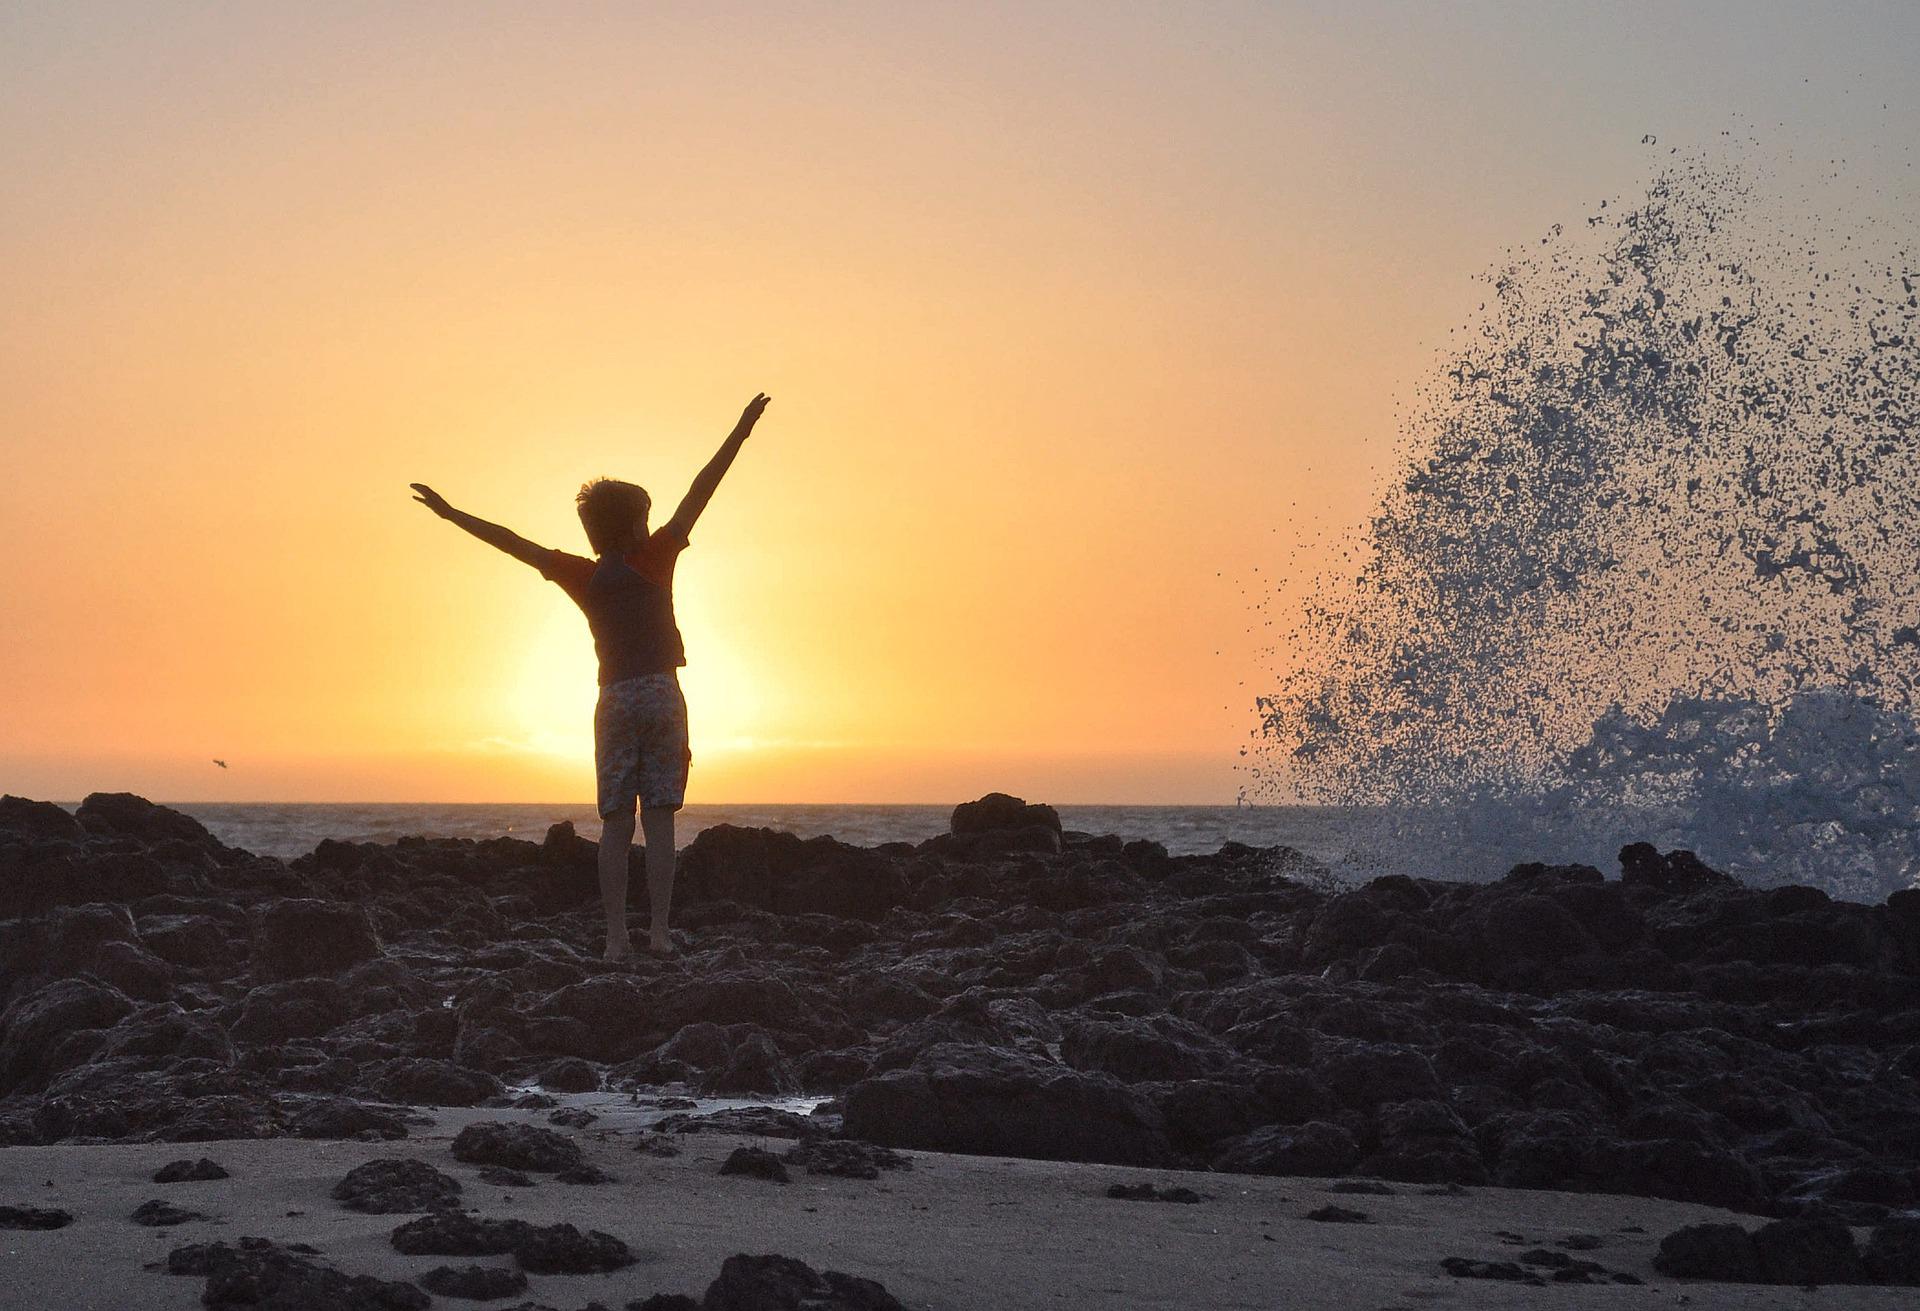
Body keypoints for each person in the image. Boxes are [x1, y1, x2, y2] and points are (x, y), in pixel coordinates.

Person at [410, 392, 772, 961]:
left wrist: (453, 514)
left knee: (613, 824)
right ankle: (657, 932)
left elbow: (512, 541)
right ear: (636, 525)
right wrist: (742, 428)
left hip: (614, 700)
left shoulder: (580, 574)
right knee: (659, 821)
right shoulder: (656, 557)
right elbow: (703, 488)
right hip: (661, 694)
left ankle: (614, 940)